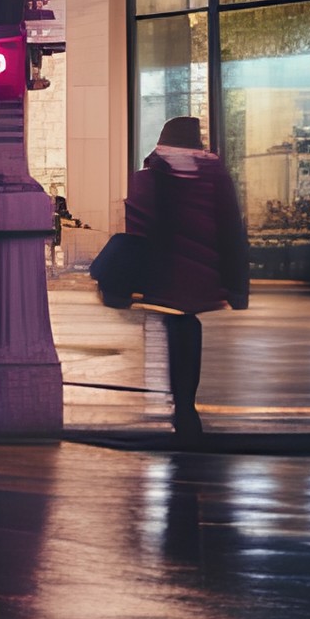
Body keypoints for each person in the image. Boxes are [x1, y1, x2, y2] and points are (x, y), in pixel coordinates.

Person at [124, 114, 247, 439]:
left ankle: (180, 404)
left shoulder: (152, 173)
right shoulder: (213, 172)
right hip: (201, 272)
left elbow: (139, 223)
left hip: (165, 271)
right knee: (190, 328)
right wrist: (237, 284)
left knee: (172, 332)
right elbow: (230, 224)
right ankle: (187, 407)